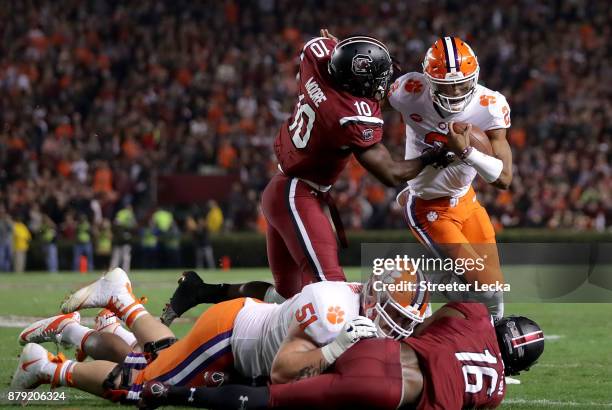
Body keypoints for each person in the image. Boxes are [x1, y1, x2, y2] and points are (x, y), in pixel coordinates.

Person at [161, 30, 449, 322]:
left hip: (283, 189)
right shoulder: (348, 116)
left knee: (284, 297)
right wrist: (431, 156)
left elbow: (329, 51)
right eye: (377, 80)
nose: (382, 86)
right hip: (297, 194)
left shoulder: (317, 59)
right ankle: (347, 356)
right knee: (330, 288)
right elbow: (391, 173)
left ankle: (200, 292)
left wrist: (343, 49)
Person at [12, 267, 428, 403]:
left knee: (151, 360)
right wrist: (338, 346)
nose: (395, 329)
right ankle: (46, 367)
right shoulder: (332, 310)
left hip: (249, 334)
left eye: (403, 321)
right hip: (229, 338)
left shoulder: (363, 312)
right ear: (372, 298)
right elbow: (284, 373)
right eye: (390, 315)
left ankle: (117, 304)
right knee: (143, 387)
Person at [140, 304, 544, 410]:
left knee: (283, 384)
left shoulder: (473, 314)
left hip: (378, 348)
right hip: (388, 391)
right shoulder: (495, 394)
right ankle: (172, 394)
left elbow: (426, 329)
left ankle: (188, 389)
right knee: (275, 403)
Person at [387, 37, 513, 320]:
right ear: (429, 79)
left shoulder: (489, 104)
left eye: (462, 82)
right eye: (447, 84)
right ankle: (407, 288)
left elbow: (504, 179)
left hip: (467, 202)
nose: (456, 91)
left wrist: (466, 152)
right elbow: (368, 104)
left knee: (494, 288)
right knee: (477, 285)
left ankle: (492, 353)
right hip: (428, 206)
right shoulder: (409, 91)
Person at [110, 204, 136, 271]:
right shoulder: (129, 214)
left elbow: (115, 224)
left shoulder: (121, 213)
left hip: (120, 237)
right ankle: (124, 271)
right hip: (123, 237)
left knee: (118, 257)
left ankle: (113, 271)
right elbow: (132, 225)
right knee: (124, 257)